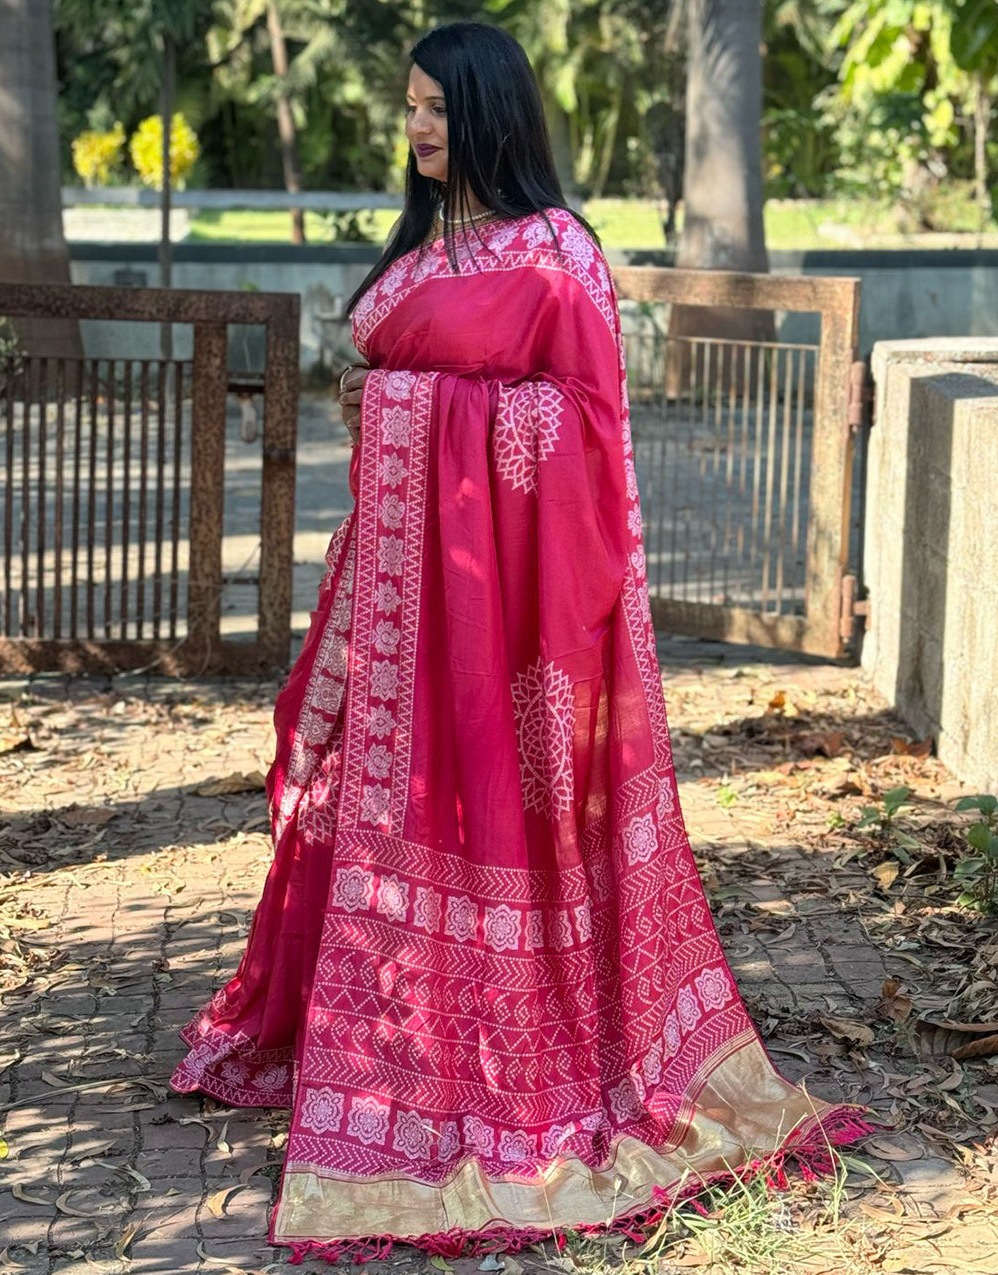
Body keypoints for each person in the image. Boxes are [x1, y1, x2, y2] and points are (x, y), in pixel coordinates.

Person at [169, 20, 871, 1263]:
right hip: (397, 604)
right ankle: (379, 1046)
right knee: (353, 804)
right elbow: (409, 372)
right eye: (409, 107)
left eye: (437, 107)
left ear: (493, 111)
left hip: (508, 624)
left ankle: (509, 1072)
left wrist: (405, 409)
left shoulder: (559, 255)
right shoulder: (427, 244)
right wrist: (404, 412)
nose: (418, 127)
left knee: (497, 809)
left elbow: (587, 432)